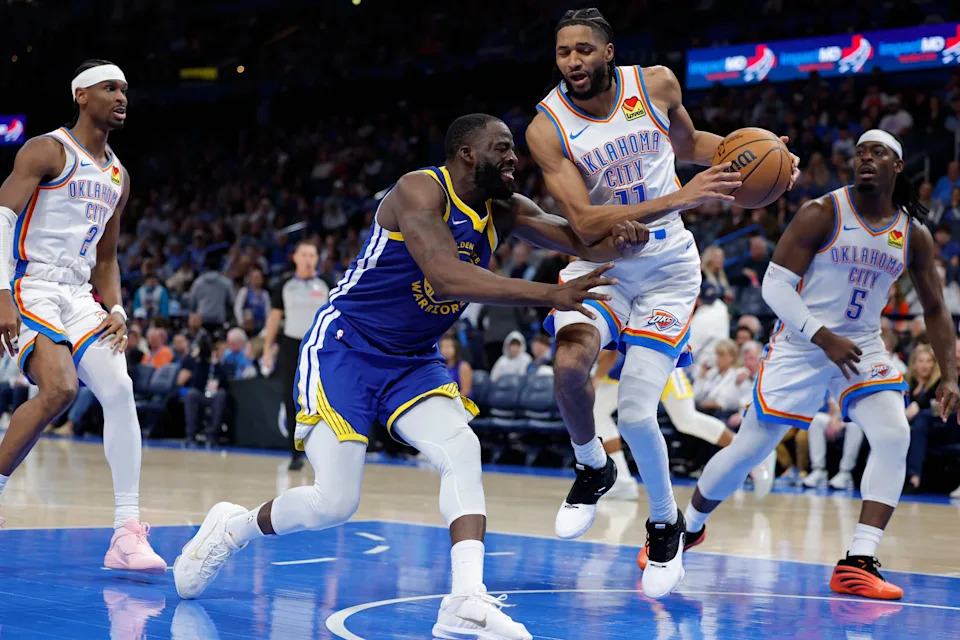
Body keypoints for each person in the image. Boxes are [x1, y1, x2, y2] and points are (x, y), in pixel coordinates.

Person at [173, 113, 649, 640]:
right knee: (335, 502)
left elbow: (576, 239)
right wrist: (547, 294)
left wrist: (621, 237)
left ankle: (464, 602)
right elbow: (445, 275)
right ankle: (233, 528)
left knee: (462, 449)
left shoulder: (503, 208)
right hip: (347, 348)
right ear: (467, 153)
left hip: (413, 358)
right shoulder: (418, 190)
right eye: (503, 147)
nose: (515, 158)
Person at [525, 7, 799, 599]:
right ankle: (591, 464)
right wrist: (676, 197)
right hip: (603, 263)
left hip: (669, 272)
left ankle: (664, 522)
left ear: (607, 52)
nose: (572, 61)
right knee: (569, 364)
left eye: (583, 50)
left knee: (637, 413)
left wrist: (761, 158)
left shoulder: (656, 84)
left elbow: (691, 144)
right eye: (563, 52)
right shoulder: (547, 128)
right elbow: (584, 218)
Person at [675, 130, 960, 600]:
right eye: (860, 152)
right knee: (750, 450)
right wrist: (821, 336)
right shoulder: (822, 212)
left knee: (894, 433)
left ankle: (859, 561)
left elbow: (934, 308)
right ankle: (688, 526)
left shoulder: (913, 233)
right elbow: (775, 287)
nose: (865, 158)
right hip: (803, 341)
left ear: (898, 166)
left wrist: (950, 374)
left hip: (862, 346)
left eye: (878, 153)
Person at [0, 60, 164, 570]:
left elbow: (108, 259)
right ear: (81, 95)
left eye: (126, 90)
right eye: (110, 88)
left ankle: (126, 535)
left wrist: (116, 307)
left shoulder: (119, 175)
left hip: (79, 295)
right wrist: (1, 292)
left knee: (120, 390)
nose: (122, 97)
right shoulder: (47, 149)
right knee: (61, 389)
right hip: (33, 284)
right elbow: (1, 218)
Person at [260, 240, 329, 471]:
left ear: (317, 258)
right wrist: (268, 348)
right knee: (292, 398)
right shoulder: (284, 285)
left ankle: (323, 451)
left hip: (321, 347)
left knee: (323, 398)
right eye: (304, 254)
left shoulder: (327, 283)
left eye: (313, 254)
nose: (309, 258)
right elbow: (274, 318)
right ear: (295, 258)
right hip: (292, 346)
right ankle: (295, 453)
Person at [903, 344, 942, 492]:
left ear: (934, 363)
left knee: (920, 420)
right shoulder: (906, 383)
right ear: (914, 363)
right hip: (909, 423)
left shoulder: (939, 383)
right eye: (921, 361)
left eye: (929, 361)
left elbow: (938, 407)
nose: (924, 365)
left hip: (936, 425)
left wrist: (917, 406)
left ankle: (914, 477)